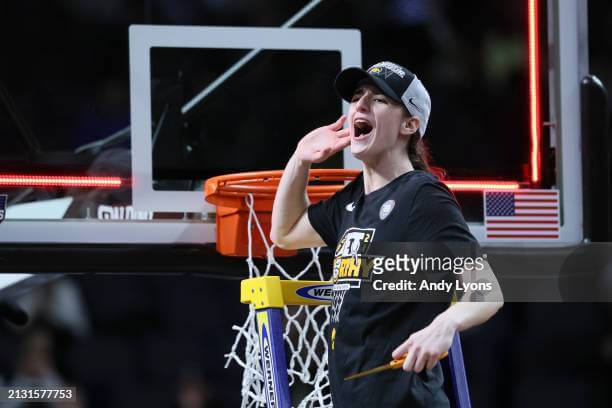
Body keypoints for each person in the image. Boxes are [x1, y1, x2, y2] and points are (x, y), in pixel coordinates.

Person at [270, 61, 503, 407]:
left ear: (410, 124)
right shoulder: (352, 201)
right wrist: (300, 159)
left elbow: (487, 291)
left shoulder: (422, 196)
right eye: (357, 96)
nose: (360, 105)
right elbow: (285, 233)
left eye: (379, 99)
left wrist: (446, 323)